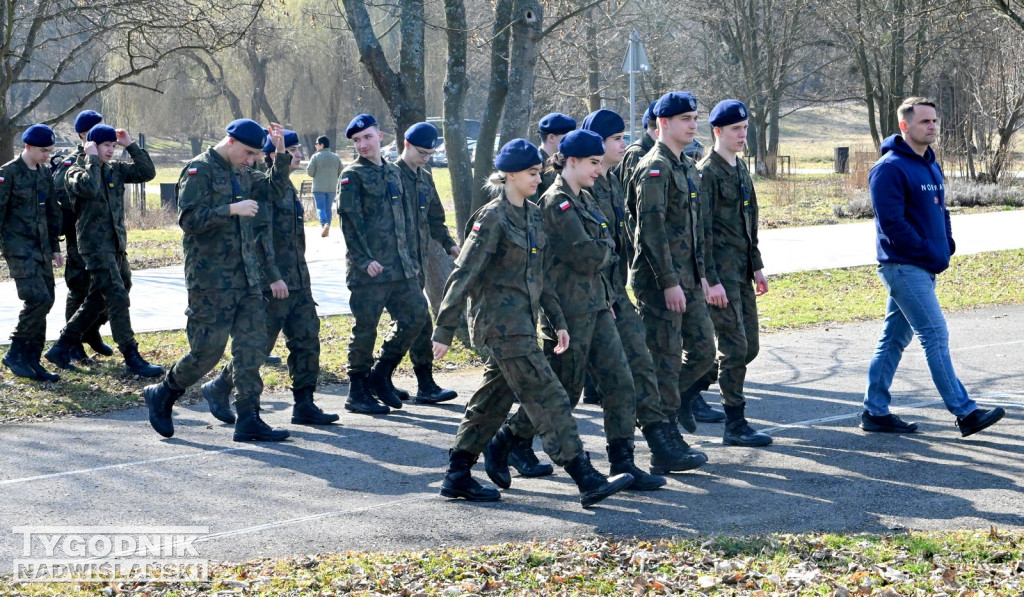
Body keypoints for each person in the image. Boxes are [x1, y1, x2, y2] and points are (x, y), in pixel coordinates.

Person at [432, 138, 634, 508]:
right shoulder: (491, 218)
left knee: (493, 399)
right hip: (501, 324)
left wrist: (557, 320)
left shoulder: (533, 216)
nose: (538, 180)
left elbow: (541, 278)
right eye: (531, 173)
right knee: (551, 395)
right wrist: (444, 329)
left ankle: (457, 473)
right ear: (508, 175)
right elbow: (464, 273)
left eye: (539, 172)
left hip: (524, 323)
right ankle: (584, 476)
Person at [861, 97, 1005, 437]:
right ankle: (965, 412)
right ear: (904, 126)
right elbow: (892, 224)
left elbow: (941, 211)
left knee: (894, 338)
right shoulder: (889, 168)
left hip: (924, 265)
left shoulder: (930, 164)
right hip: (903, 266)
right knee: (935, 334)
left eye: (935, 121)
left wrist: (947, 244)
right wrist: (926, 250)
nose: (932, 126)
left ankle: (875, 411)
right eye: (925, 121)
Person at [143, 120, 290, 442]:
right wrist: (230, 209)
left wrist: (278, 154)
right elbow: (188, 219)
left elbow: (274, 190)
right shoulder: (200, 169)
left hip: (247, 277)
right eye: (249, 153)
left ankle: (249, 418)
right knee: (207, 352)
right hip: (210, 279)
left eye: (256, 155)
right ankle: (164, 392)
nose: (252, 160)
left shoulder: (243, 171)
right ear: (232, 141)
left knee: (251, 352)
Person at [580, 109, 708, 471]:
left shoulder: (609, 183)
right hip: (585, 305)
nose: (626, 143)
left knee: (635, 374)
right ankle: (507, 441)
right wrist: (666, 281)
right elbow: (646, 233)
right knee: (562, 387)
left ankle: (650, 449)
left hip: (615, 298)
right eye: (617, 139)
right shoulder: (579, 191)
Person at [200, 129, 339, 427]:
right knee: (257, 347)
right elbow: (259, 237)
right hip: (274, 284)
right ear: (273, 154)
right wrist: (273, 277)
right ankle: (221, 386)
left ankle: (304, 404)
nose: (299, 155)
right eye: (292, 149)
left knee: (306, 341)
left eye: (299, 150)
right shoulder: (261, 187)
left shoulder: (284, 186)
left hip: (298, 280)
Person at [626, 91, 717, 444]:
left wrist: (703, 277)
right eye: (685, 119)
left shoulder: (684, 165)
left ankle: (668, 406)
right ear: (664, 123)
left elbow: (695, 230)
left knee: (705, 353)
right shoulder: (655, 167)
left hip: (689, 278)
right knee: (664, 360)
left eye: (695, 118)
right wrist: (668, 281)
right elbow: (650, 230)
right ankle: (662, 435)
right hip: (660, 280)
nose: (694, 125)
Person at [44, 124, 162, 378]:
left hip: (116, 245)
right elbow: (88, 188)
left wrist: (130, 145)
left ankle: (62, 345)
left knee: (103, 295)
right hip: (94, 247)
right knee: (117, 297)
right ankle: (131, 355)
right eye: (105, 145)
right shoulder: (75, 171)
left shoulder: (115, 170)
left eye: (112, 145)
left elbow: (146, 172)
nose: (110, 150)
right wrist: (92, 160)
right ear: (92, 146)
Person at [337, 113, 428, 415]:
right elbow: (350, 223)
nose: (362, 144)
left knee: (416, 317)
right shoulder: (352, 175)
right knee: (366, 330)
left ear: (380, 136)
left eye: (367, 137)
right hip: (370, 271)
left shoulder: (393, 172)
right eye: (357, 140)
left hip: (400, 268)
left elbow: (403, 220)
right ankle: (356, 390)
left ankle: (380, 374)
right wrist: (365, 260)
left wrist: (411, 260)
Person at [693, 100, 772, 447]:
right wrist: (709, 280)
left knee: (749, 347)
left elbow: (748, 223)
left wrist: (757, 266)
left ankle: (686, 389)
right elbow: (701, 232)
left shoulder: (740, 168)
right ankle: (734, 423)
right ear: (718, 132)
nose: (742, 135)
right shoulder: (705, 173)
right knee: (735, 347)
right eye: (735, 130)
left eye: (744, 128)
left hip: (741, 273)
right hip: (719, 277)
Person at [394, 122, 460, 404]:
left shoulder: (425, 178)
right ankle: (380, 376)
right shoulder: (391, 176)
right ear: (406, 145)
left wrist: (449, 244)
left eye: (430, 154)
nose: (425, 158)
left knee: (414, 322)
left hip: (417, 264)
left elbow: (435, 219)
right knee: (417, 319)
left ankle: (422, 383)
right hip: (395, 265)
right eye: (422, 152)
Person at [0, 124, 62, 382]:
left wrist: (56, 247)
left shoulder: (44, 173)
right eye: (43, 150)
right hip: (18, 248)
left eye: (50, 150)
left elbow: (51, 212)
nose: (47, 154)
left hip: (42, 247)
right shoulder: (8, 173)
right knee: (37, 299)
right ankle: (15, 352)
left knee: (47, 299)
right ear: (28, 147)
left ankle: (32, 360)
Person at [53, 110, 113, 362]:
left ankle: (92, 330)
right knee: (79, 287)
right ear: (82, 135)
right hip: (79, 232)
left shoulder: (106, 160)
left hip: (104, 235)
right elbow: (62, 191)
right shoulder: (70, 162)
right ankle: (73, 343)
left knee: (110, 288)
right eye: (93, 131)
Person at [534, 113, 576, 201]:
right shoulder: (533, 164)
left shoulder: (566, 162)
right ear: (551, 137)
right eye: (568, 136)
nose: (573, 141)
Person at [306, 135, 343, 237]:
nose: (315, 146)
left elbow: (310, 172)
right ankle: (328, 228)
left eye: (317, 144)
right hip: (332, 187)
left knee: (320, 208)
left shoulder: (316, 157)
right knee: (328, 208)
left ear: (321, 145)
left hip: (319, 187)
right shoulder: (335, 157)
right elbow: (341, 171)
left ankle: (324, 224)